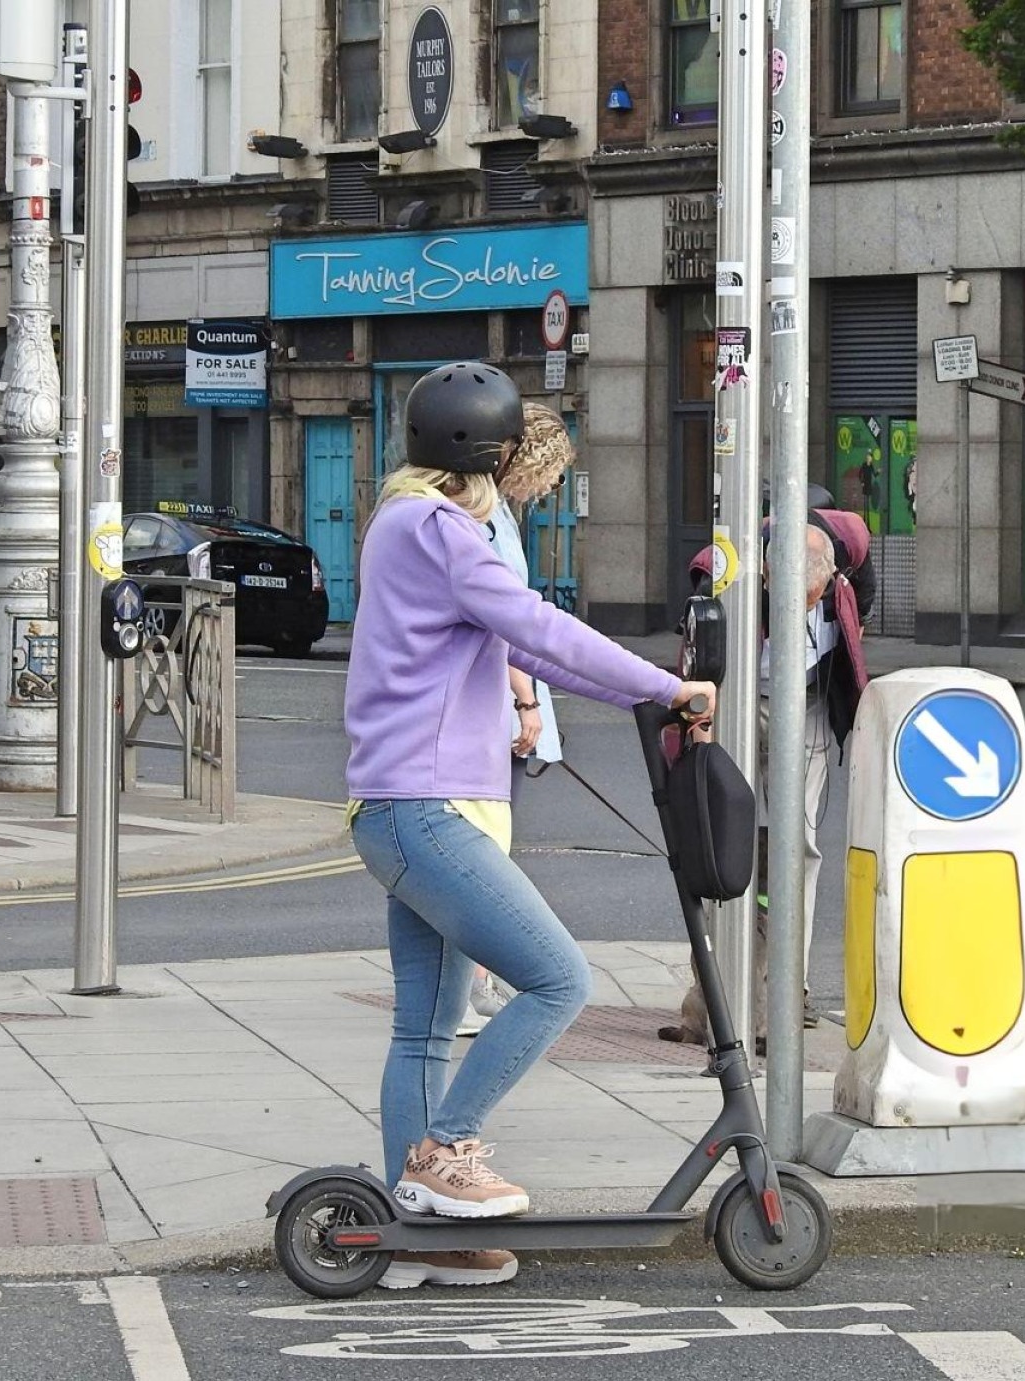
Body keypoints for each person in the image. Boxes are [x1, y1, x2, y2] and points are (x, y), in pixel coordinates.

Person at [345, 360, 714, 1289]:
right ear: (497, 450)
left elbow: (523, 647)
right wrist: (669, 684)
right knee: (558, 978)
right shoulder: (442, 528)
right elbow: (538, 626)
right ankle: (448, 1150)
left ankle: (422, 1234)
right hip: (431, 807)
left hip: (401, 805)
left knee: (425, 1032)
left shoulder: (402, 522)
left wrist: (640, 696)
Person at [670, 499, 871, 1045]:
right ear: (764, 572)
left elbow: (858, 626)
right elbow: (688, 628)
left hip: (803, 705)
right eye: (784, 599)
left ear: (832, 580)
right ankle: (710, 993)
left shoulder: (850, 554)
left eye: (808, 600)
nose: (798, 609)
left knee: (798, 848)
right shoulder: (729, 565)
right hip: (737, 703)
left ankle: (789, 989)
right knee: (722, 846)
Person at [458, 401, 577, 1038]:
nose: (554, 486)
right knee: (486, 855)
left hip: (491, 702)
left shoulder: (494, 513)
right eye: (553, 471)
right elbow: (503, 622)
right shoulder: (485, 519)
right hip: (497, 706)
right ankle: (469, 988)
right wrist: (526, 702)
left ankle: (472, 982)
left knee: (487, 851)